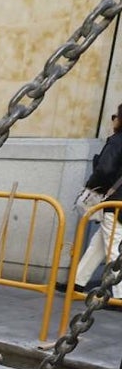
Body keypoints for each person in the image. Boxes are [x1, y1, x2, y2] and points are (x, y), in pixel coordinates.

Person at [72, 103, 122, 301]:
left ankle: (119, 295)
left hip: (114, 202)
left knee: (114, 247)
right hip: (118, 202)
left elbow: (105, 171)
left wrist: (92, 187)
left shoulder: (117, 141)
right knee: (99, 245)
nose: (113, 119)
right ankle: (77, 282)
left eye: (115, 116)